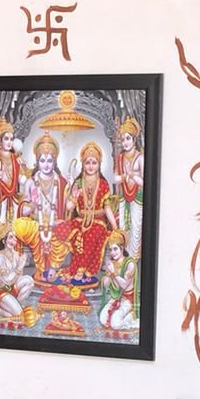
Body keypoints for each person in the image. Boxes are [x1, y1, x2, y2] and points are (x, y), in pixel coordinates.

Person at [18, 132, 69, 279]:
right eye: (42, 160)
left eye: (49, 161)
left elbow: (67, 208)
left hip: (55, 222)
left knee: (67, 228)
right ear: (37, 161)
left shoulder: (61, 182)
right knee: (21, 225)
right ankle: (41, 269)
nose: (46, 165)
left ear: (55, 162)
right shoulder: (30, 182)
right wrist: (33, 205)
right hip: (36, 223)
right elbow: (23, 210)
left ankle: (53, 268)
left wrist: (72, 195)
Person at [64, 141, 117, 281]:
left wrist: (115, 227)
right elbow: (69, 207)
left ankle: (84, 269)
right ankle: (77, 268)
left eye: (94, 162)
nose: (91, 166)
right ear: (83, 164)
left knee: (92, 234)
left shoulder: (103, 184)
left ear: (99, 164)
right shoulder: (78, 183)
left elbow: (107, 208)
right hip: (80, 220)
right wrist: (73, 194)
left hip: (98, 222)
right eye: (87, 162)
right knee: (68, 231)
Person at [112, 117, 145, 260]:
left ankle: (134, 258)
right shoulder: (120, 158)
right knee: (123, 226)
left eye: (128, 138)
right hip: (123, 196)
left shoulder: (140, 158)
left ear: (134, 140)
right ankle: (123, 257)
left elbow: (144, 181)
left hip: (137, 196)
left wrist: (133, 176)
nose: (125, 142)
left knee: (135, 226)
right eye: (123, 139)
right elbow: (115, 179)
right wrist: (124, 177)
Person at [0, 222, 34, 319]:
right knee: (19, 315)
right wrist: (20, 266)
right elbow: (7, 280)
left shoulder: (15, 254)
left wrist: (21, 264)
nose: (14, 239)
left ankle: (15, 304)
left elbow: (18, 277)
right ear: (3, 241)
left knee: (29, 280)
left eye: (14, 237)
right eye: (10, 237)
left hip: (9, 288)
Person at [98, 231, 139, 332]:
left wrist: (113, 272)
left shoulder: (130, 264)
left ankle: (132, 317)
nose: (113, 252)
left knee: (115, 324)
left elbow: (124, 285)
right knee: (103, 319)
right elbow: (105, 285)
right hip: (115, 298)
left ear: (122, 248)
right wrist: (108, 273)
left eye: (115, 249)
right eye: (110, 250)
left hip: (127, 300)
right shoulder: (112, 263)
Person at [0, 120, 25, 228]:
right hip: (0, 197)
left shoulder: (15, 157)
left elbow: (20, 177)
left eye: (11, 139)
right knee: (0, 225)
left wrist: (23, 173)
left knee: (13, 226)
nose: (9, 142)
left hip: (13, 197)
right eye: (6, 139)